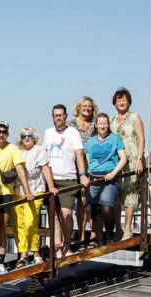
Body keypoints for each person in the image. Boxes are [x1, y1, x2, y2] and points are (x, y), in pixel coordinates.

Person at [0, 121, 34, 274]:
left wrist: (28, 191)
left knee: (1, 227)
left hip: (5, 193)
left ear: (8, 134)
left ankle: (0, 261)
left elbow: (20, 170)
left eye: (4, 132)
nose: (1, 134)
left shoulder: (12, 149)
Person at [43, 104, 90, 257]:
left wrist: (82, 174)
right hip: (51, 179)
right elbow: (43, 156)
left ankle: (67, 244)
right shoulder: (48, 133)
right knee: (54, 214)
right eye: (56, 115)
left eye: (61, 115)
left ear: (66, 116)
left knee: (67, 214)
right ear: (52, 117)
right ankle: (58, 246)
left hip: (68, 178)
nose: (58, 118)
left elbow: (79, 155)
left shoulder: (72, 132)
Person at [12, 127, 53, 268]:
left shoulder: (39, 150)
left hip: (35, 191)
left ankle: (35, 252)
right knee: (19, 225)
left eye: (29, 135)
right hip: (17, 191)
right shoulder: (17, 151)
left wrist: (52, 186)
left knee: (30, 223)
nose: (27, 138)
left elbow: (45, 169)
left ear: (34, 137)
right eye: (24, 136)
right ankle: (23, 255)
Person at [84, 113, 128, 246]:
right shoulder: (91, 141)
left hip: (109, 176)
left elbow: (123, 158)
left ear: (108, 125)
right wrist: (89, 172)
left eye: (105, 123)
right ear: (96, 125)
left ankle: (109, 235)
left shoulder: (115, 139)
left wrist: (114, 173)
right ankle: (99, 238)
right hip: (94, 177)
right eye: (100, 123)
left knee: (107, 208)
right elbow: (87, 157)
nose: (102, 126)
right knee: (95, 209)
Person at [111, 87, 146, 241]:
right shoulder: (111, 120)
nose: (121, 103)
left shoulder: (134, 117)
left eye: (124, 100)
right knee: (117, 195)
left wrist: (139, 158)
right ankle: (117, 228)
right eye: (119, 100)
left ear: (129, 102)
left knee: (130, 194)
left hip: (132, 159)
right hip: (116, 161)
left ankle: (128, 229)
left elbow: (141, 139)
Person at [68, 96, 100, 246]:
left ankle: (87, 238)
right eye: (85, 105)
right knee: (71, 204)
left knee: (85, 202)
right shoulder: (70, 124)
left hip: (91, 166)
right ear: (79, 107)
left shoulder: (95, 124)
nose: (87, 108)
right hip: (71, 166)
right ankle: (77, 238)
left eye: (90, 106)